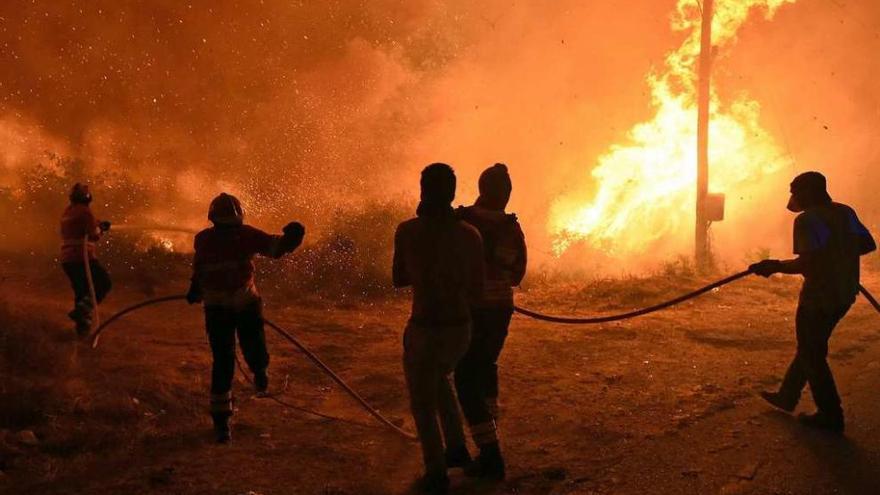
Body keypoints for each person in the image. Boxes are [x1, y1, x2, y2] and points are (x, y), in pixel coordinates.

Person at [751, 171, 875, 433]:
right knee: (811, 347)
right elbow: (867, 244)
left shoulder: (808, 220)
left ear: (810, 192)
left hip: (818, 297)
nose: (793, 198)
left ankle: (831, 414)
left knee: (812, 352)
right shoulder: (845, 212)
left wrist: (774, 266)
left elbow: (806, 263)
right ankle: (788, 395)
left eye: (796, 191)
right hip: (844, 294)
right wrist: (840, 254)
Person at [393, 163, 485, 494]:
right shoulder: (470, 234)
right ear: (452, 191)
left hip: (425, 327)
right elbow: (477, 288)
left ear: (423, 190)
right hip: (460, 330)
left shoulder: (408, 231)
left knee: (422, 402)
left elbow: (399, 278)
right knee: (441, 379)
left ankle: (436, 470)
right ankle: (457, 448)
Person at [186, 193, 305, 443]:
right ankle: (259, 376)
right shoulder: (244, 235)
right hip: (243, 303)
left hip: (219, 307)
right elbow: (276, 248)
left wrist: (195, 290)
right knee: (251, 346)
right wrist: (293, 238)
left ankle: (222, 422)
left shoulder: (204, 239)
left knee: (224, 360)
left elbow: (200, 269)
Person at [453, 163, 526, 480]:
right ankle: (490, 432)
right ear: (507, 195)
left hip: (473, 308)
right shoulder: (513, 227)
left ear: (482, 189)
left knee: (466, 377)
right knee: (486, 367)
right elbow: (518, 274)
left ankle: (490, 454)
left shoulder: (464, 220)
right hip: (501, 309)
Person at [60, 183, 112, 336]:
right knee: (104, 283)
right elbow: (94, 234)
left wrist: (99, 224)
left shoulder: (68, 211)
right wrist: (101, 229)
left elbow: (85, 226)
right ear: (87, 198)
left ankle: (81, 332)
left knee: (81, 292)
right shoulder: (85, 212)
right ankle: (82, 311)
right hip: (81, 257)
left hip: (67, 260)